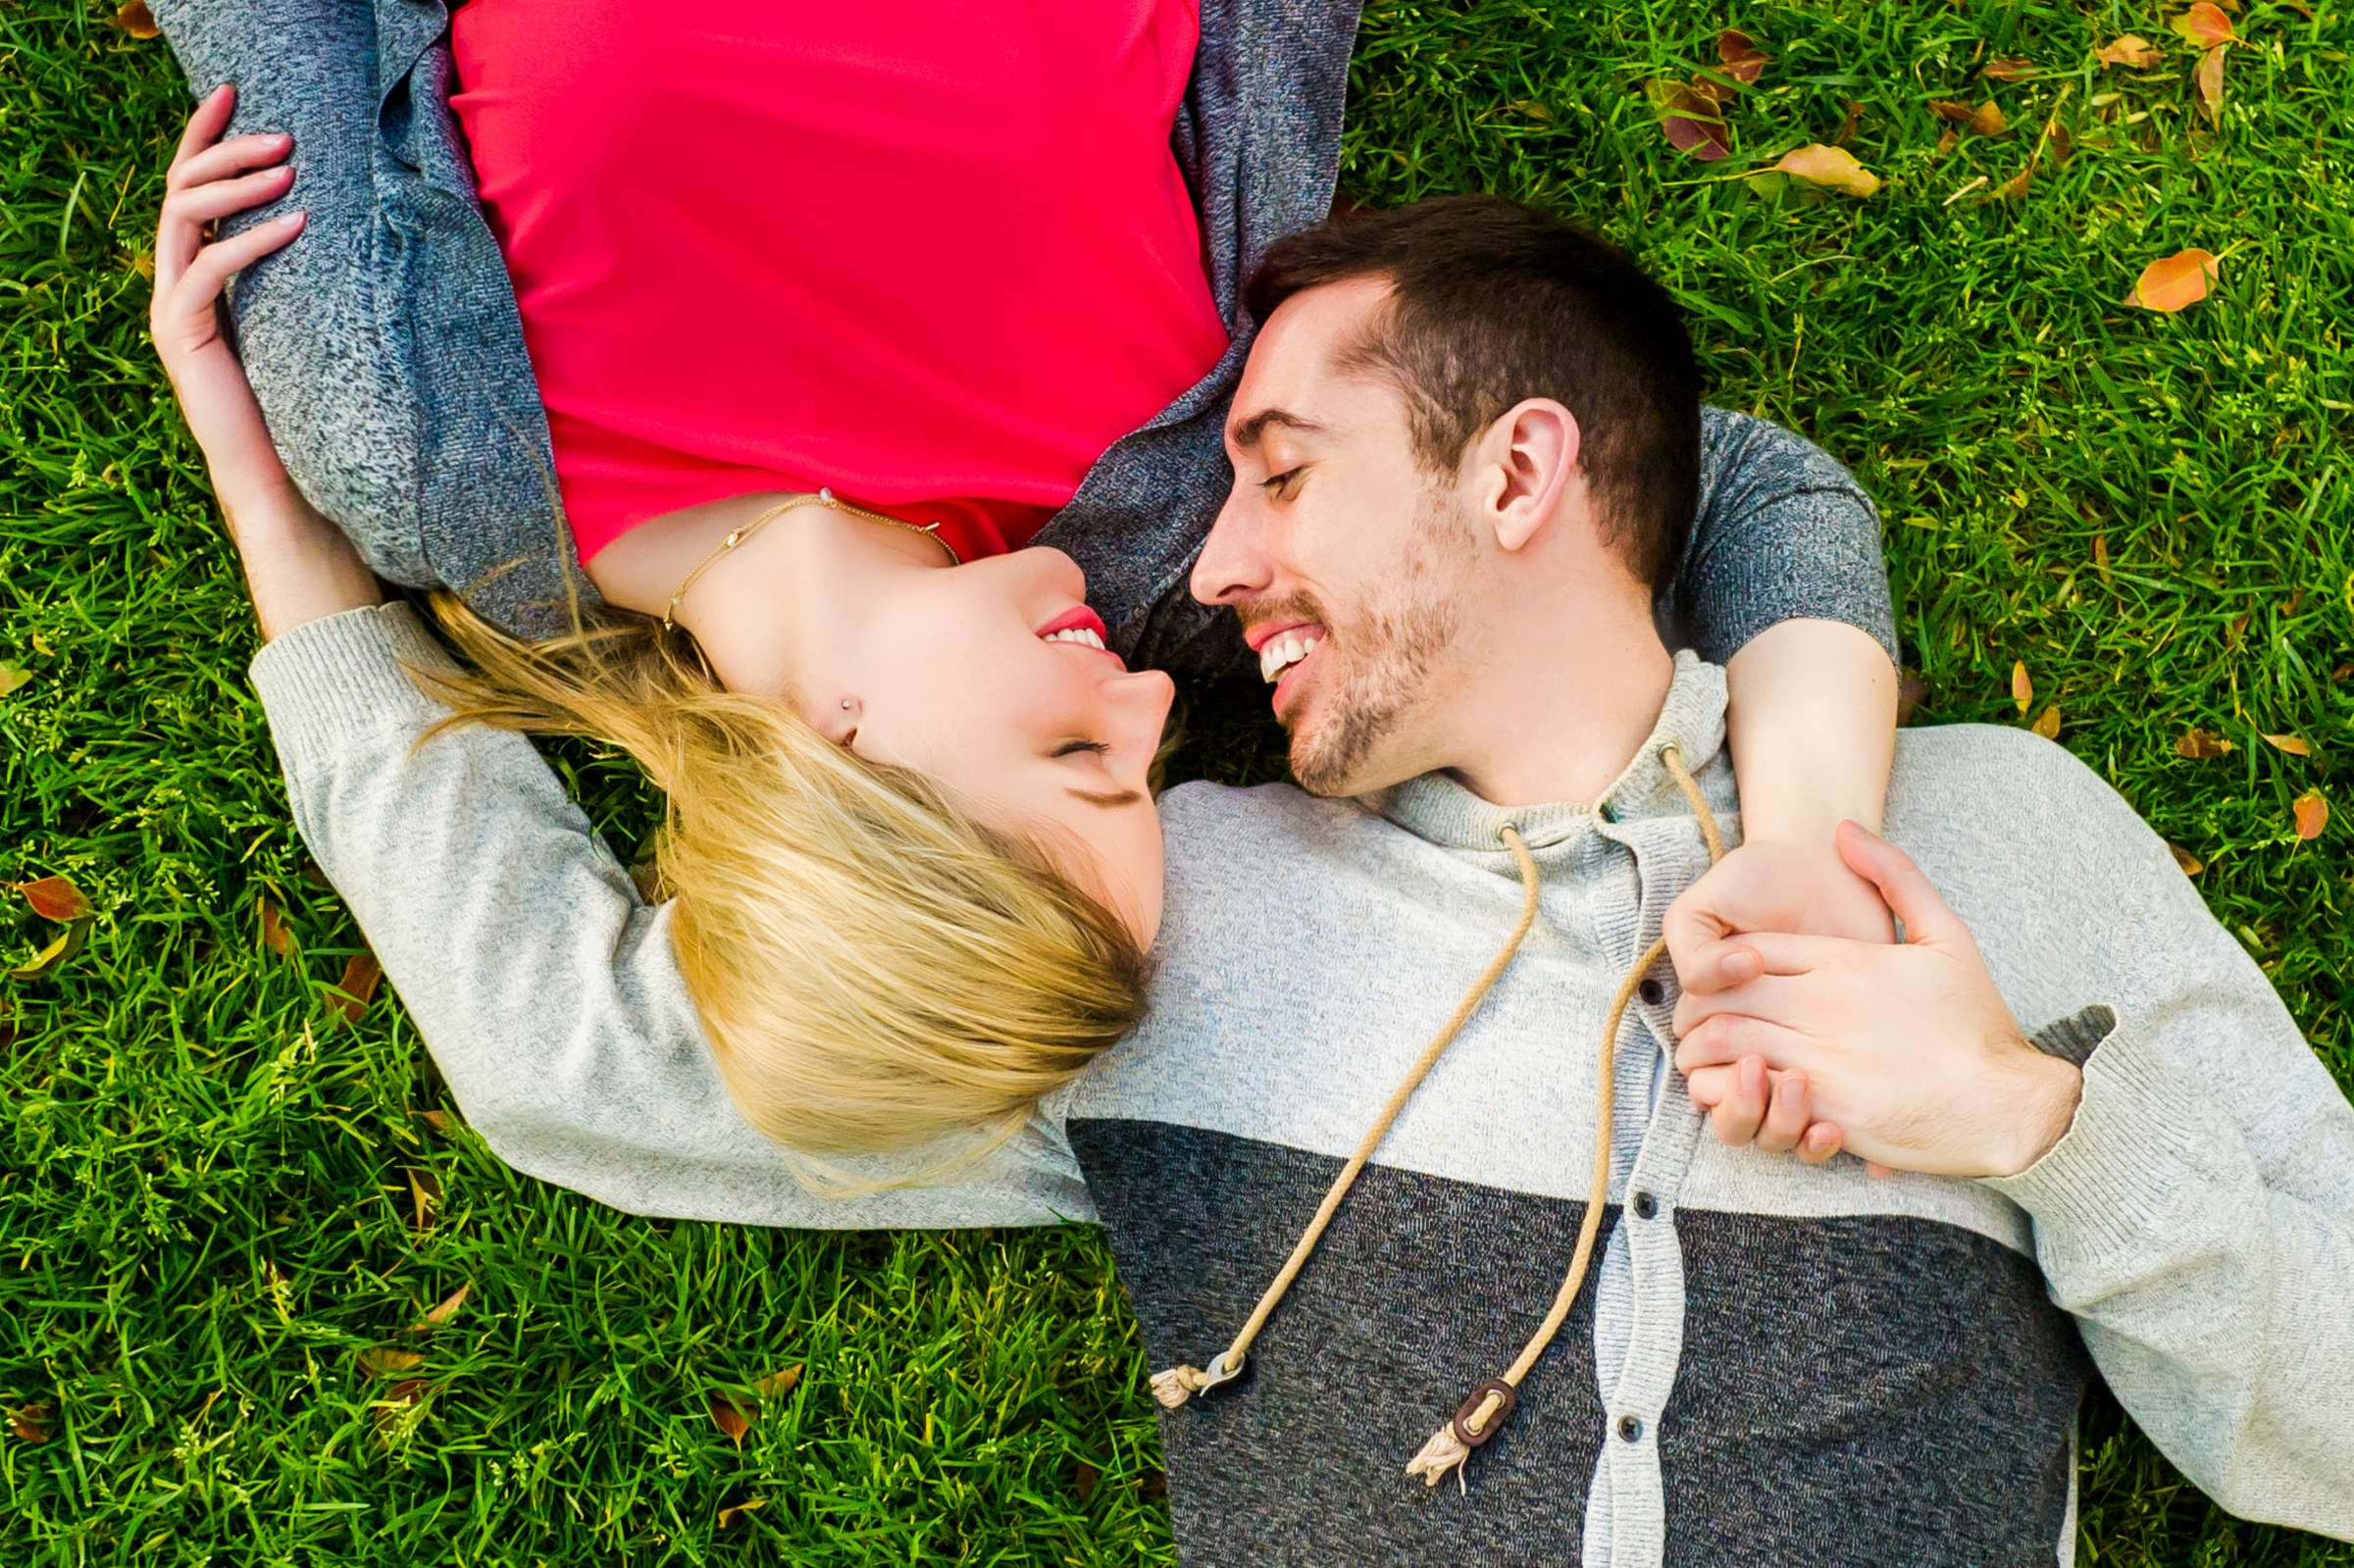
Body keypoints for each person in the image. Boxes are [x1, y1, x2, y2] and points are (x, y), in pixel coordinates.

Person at [175, 176, 2354, 1559]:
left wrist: (2029, 1122)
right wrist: (283, 536)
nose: (1200, 575)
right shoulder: (1155, 920)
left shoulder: (1989, 845)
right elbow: (582, 1049)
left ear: (1520, 472)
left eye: (1279, 470)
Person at [150, 0, 1904, 1172]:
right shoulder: (1180, 533)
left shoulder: (421, 439)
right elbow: (1703, 478)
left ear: (842, 764)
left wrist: (268, 491)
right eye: (1154, 770)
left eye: (1086, 763)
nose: (1155, 699)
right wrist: (1798, 848)